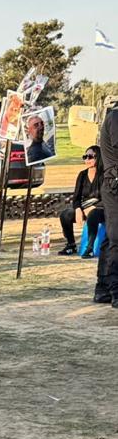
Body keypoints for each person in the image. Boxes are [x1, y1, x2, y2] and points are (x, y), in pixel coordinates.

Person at [58, 147, 104, 256]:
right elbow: (76, 197)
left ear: (98, 157)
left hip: (101, 208)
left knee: (93, 214)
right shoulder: (82, 175)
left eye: (90, 157)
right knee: (65, 215)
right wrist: (78, 209)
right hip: (85, 206)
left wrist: (94, 207)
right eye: (85, 157)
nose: (87, 159)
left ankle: (90, 248)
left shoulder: (105, 175)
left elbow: (108, 198)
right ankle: (71, 245)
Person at [98, 101, 118, 308]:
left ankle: (103, 287)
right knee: (116, 238)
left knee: (112, 238)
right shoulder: (116, 117)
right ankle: (114, 290)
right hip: (115, 187)